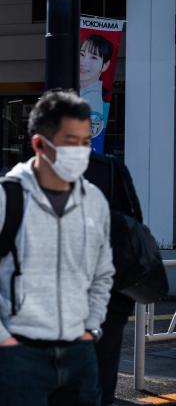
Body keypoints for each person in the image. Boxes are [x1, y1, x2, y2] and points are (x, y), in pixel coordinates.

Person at [0, 89, 114, 405]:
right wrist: (0, 337)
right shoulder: (0, 199)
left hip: (79, 353)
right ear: (40, 144)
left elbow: (103, 272)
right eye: (70, 142)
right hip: (18, 355)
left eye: (85, 142)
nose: (81, 152)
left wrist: (90, 327)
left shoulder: (94, 201)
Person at [85, 152, 143, 406]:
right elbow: (135, 226)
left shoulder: (29, 175)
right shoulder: (109, 169)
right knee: (99, 386)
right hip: (107, 301)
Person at [79, 35, 113, 136]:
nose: (83, 62)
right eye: (82, 54)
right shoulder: (82, 93)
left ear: (105, 65)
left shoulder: (92, 97)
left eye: (93, 57)